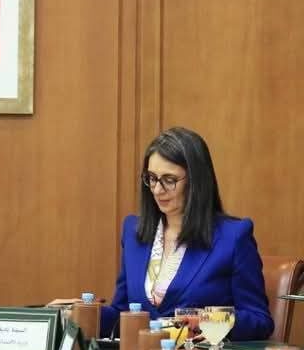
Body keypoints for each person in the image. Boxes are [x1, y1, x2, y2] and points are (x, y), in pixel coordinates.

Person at [100, 126, 273, 340]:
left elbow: (260, 320)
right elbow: (122, 314)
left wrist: (208, 321)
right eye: (152, 178)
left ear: (196, 181)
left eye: (169, 180)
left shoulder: (234, 237)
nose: (157, 190)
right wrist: (77, 312)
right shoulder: (133, 231)